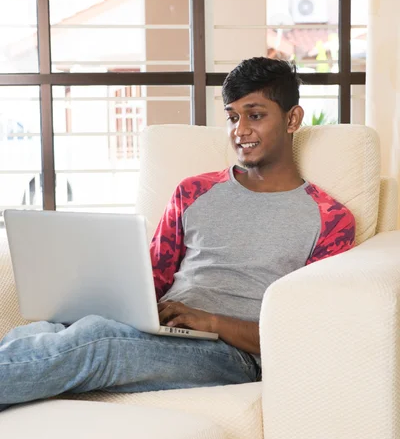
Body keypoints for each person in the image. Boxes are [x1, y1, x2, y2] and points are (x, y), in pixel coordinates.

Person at [0, 57, 355, 410]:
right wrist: (112, 303)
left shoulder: (330, 219)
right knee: (45, 330)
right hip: (166, 330)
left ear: (292, 119)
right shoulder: (193, 191)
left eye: (255, 115)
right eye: (232, 117)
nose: (240, 130)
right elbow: (153, 276)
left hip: (234, 355)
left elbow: (308, 329)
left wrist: (211, 321)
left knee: (98, 341)